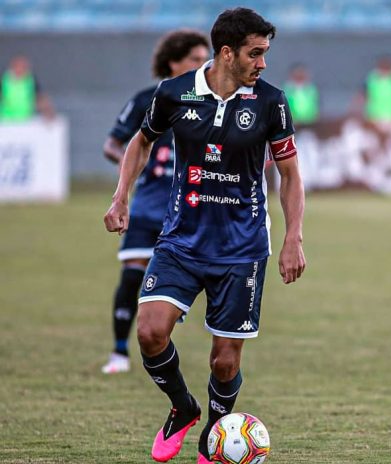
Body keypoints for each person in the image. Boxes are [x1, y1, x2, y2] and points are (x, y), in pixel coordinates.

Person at [104, 7, 305, 463]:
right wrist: (122, 196)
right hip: (181, 239)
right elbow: (141, 141)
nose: (263, 64)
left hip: (243, 247)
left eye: (267, 53)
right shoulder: (173, 94)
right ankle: (182, 407)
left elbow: (291, 175)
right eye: (256, 54)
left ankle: (214, 434)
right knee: (151, 331)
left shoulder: (270, 102)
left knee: (224, 362)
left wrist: (293, 237)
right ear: (227, 53)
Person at [101, 29, 211, 374]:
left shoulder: (211, 102)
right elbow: (113, 145)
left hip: (191, 210)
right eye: (195, 59)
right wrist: (132, 168)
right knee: (131, 276)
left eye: (204, 58)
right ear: (173, 62)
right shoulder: (148, 99)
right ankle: (119, 353)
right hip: (148, 206)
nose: (202, 65)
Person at [0, 55, 54, 121]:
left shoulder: (31, 81)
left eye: (24, 67)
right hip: (5, 118)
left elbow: (40, 98)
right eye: (18, 66)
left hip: (26, 119)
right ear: (12, 67)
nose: (20, 69)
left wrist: (48, 111)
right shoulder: (4, 81)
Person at [283, 62, 320, 126]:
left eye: (301, 73)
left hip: (310, 122)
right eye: (297, 74)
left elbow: (316, 105)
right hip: (292, 123)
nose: (300, 76)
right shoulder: (287, 90)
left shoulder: (311, 89)